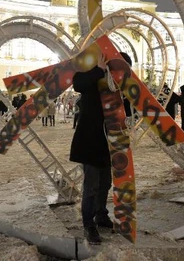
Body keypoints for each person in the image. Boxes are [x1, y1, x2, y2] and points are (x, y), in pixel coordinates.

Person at [70, 53, 113, 245]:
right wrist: (99, 69)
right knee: (91, 187)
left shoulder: (112, 86)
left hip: (106, 144)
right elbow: (78, 84)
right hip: (89, 142)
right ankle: (89, 225)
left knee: (105, 182)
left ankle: (101, 215)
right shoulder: (86, 76)